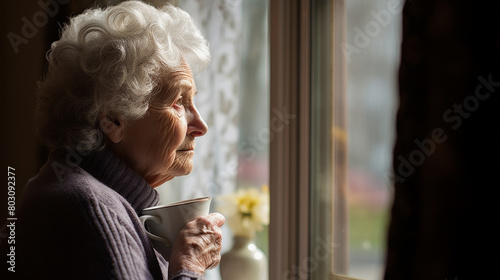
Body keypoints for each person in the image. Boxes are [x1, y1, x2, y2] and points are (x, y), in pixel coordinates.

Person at [0, 1, 224, 279]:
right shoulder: (91, 208)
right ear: (113, 119)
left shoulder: (73, 190)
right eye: (178, 102)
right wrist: (189, 267)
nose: (200, 126)